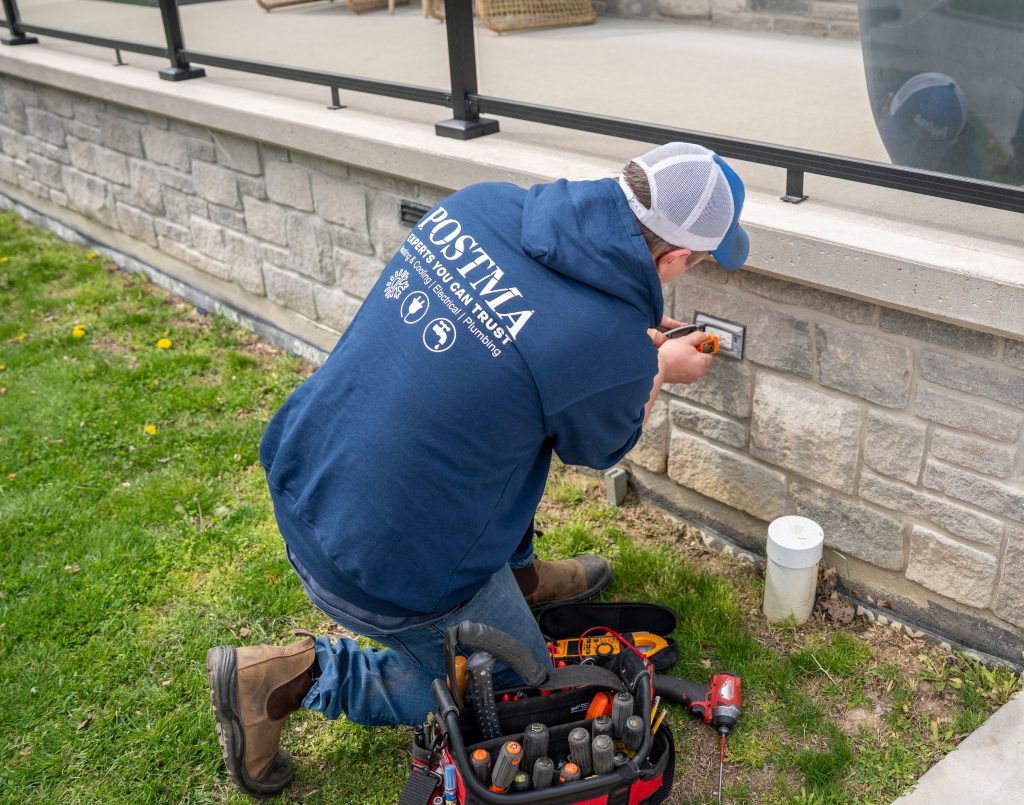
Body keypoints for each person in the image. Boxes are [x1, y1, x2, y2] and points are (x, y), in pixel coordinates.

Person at [206, 141, 749, 797]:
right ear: (679, 259)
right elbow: (598, 446)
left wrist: (618, 347)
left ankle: (518, 581)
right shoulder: (607, 347)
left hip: (306, 464)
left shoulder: (485, 204)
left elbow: (535, 350)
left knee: (509, 427)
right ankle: (287, 678)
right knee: (517, 683)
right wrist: (654, 367)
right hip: (382, 559)